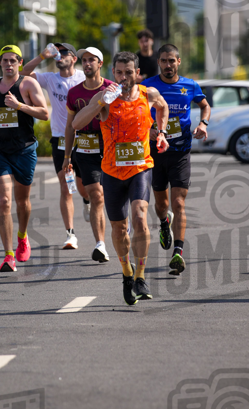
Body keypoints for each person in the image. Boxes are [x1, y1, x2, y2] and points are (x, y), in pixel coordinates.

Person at [73, 51, 169, 306]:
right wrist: (100, 102)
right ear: (112, 73)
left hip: (141, 167)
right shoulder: (103, 98)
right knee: (118, 228)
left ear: (137, 73)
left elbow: (163, 107)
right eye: (119, 73)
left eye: (129, 72)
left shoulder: (148, 94)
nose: (124, 77)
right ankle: (126, 273)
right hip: (112, 172)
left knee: (139, 217)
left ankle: (140, 275)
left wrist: (161, 132)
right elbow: (77, 124)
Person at [0, 45, 48, 272]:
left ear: (20, 62)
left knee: (22, 201)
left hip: (25, 149)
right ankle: (9, 255)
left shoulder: (28, 84)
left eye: (13, 60)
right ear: (0, 63)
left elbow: (44, 113)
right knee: (4, 201)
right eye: (5, 60)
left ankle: (22, 236)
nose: (9, 64)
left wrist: (19, 106)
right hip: (0, 149)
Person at [144, 44, 210, 275]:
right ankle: (164, 224)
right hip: (155, 153)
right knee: (161, 205)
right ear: (159, 63)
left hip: (181, 151)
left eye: (172, 61)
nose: (168, 65)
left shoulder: (190, 85)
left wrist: (203, 123)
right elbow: (136, 113)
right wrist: (148, 131)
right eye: (163, 61)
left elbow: (205, 105)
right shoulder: (147, 86)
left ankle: (178, 254)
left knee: (179, 203)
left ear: (178, 62)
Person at [21, 42, 85, 249]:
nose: (59, 55)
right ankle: (70, 234)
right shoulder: (50, 79)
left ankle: (87, 200)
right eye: (57, 53)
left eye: (64, 52)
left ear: (74, 58)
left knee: (85, 188)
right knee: (66, 187)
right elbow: (24, 72)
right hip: (60, 138)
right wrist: (42, 55)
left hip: (84, 138)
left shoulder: (83, 77)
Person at [64, 46, 113, 263]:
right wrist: (66, 157)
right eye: (84, 60)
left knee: (112, 194)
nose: (87, 64)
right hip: (84, 147)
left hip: (110, 146)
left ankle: (123, 225)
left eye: (91, 60)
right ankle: (100, 244)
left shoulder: (113, 88)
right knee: (96, 194)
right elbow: (70, 126)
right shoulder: (74, 93)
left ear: (100, 63)